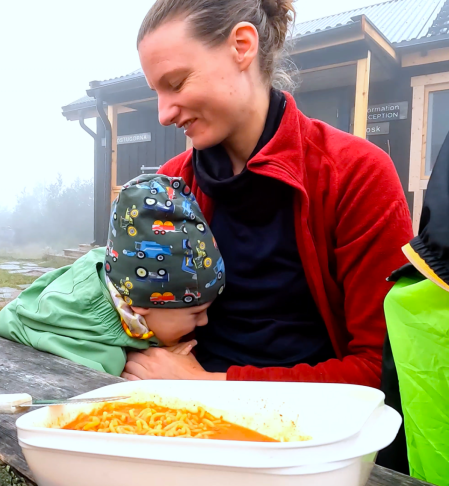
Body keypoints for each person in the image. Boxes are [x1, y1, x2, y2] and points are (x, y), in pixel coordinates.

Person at [122, 0, 414, 387]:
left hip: (314, 428)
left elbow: (383, 368)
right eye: (156, 92)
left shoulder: (354, 174)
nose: (163, 113)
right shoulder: (171, 185)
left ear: (242, 46)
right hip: (182, 409)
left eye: (175, 83)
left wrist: (212, 384)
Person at [0, 174, 225, 376]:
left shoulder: (121, 273)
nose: (204, 321)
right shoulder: (95, 347)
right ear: (142, 305)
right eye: (195, 313)